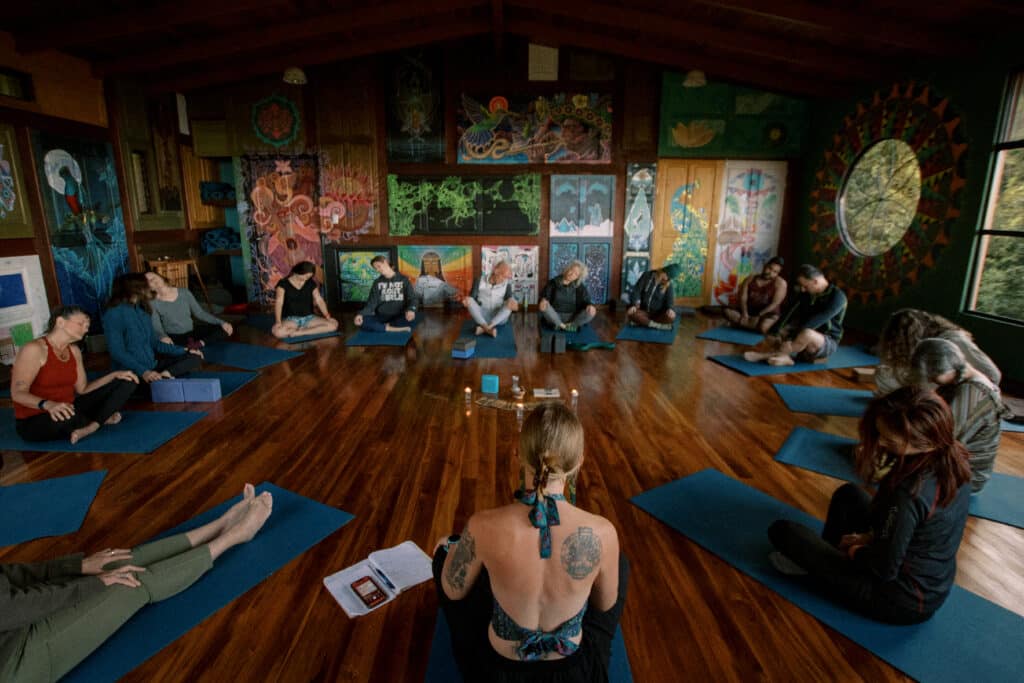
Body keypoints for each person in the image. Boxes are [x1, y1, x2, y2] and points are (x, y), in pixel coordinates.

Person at [433, 402, 626, 682]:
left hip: (499, 673)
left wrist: (448, 550)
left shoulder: (483, 525)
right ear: (579, 461)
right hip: (572, 673)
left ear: (518, 454)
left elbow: (453, 592)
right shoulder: (603, 533)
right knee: (619, 564)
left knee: (445, 558)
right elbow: (605, 605)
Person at [0, 484, 273, 682]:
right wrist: (94, 584)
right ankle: (235, 535)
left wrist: (78, 566)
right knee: (129, 582)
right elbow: (11, 609)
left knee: (117, 561)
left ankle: (220, 524)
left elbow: (8, 575)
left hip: (13, 623)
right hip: (15, 662)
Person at [767, 386, 972, 624]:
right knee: (848, 495)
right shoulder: (954, 459)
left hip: (898, 599)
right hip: (925, 579)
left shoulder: (908, 494)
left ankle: (825, 570)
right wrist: (868, 538)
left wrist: (855, 549)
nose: (881, 442)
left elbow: (884, 570)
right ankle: (830, 565)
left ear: (923, 441)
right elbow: (911, 531)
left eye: (889, 439)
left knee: (783, 532)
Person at [10, 306, 138, 445]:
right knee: (70, 418)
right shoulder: (34, 349)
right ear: (60, 322)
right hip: (36, 418)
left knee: (128, 380)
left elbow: (83, 389)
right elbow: (17, 393)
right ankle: (100, 419)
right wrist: (48, 405)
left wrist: (113, 375)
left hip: (69, 408)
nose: (86, 329)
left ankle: (91, 426)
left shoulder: (74, 350)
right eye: (81, 324)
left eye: (87, 326)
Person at [912, 338, 1012, 492]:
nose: (932, 380)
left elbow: (942, 438)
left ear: (948, 368)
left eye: (933, 376)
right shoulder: (964, 378)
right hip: (956, 462)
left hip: (967, 475)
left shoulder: (972, 392)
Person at [103, 273, 203, 385]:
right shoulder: (113, 313)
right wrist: (144, 372)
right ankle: (161, 380)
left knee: (194, 356)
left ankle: (165, 376)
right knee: (130, 385)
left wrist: (184, 350)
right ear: (135, 288)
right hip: (133, 372)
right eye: (146, 284)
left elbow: (155, 343)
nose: (149, 286)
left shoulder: (143, 312)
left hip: (152, 366)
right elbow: (117, 352)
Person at [875, 309, 1000, 396]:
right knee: (883, 374)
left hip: (958, 389)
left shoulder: (954, 340)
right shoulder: (924, 344)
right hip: (936, 385)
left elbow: (993, 375)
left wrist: (959, 387)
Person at [743, 264, 846, 366]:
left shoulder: (838, 297)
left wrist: (791, 338)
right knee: (770, 327)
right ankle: (785, 357)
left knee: (807, 333)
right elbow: (789, 312)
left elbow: (818, 320)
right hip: (801, 332)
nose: (802, 290)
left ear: (815, 282)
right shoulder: (806, 293)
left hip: (826, 341)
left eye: (805, 286)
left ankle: (766, 356)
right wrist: (774, 332)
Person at [145, 271, 233, 349]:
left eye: (153, 277)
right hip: (174, 337)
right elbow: (157, 325)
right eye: (149, 281)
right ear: (149, 288)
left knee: (224, 329)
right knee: (166, 345)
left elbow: (200, 313)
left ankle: (199, 344)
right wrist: (163, 336)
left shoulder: (184, 292)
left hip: (192, 332)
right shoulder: (153, 302)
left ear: (161, 277)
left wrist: (222, 322)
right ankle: (189, 346)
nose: (152, 280)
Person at [271, 261, 338, 339]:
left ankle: (300, 332)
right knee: (278, 332)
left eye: (309, 277)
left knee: (333, 325)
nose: (307, 279)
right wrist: (278, 322)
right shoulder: (283, 284)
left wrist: (328, 316)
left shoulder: (310, 282)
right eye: (305, 276)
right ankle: (305, 330)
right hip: (291, 319)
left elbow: (319, 300)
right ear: (298, 272)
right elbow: (279, 302)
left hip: (309, 318)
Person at [722, 257, 787, 333]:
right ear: (765, 265)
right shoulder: (750, 278)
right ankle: (751, 326)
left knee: (764, 326)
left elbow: (775, 304)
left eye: (775, 272)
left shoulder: (780, 283)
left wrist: (758, 315)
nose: (771, 273)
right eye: (770, 268)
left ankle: (744, 325)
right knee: (727, 312)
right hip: (749, 312)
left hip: (768, 314)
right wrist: (744, 313)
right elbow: (743, 298)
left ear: (778, 273)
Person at [354, 255, 417, 333]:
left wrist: (411, 310)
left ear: (386, 262)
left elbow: (412, 298)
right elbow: (371, 304)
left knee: (412, 320)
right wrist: (360, 314)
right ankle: (391, 329)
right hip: (382, 316)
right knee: (362, 322)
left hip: (400, 315)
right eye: (375, 268)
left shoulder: (403, 279)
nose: (377, 270)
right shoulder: (377, 282)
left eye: (378, 266)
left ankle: (383, 327)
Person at [538, 261, 597, 333]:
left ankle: (568, 325)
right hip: (555, 316)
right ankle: (562, 326)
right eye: (571, 270)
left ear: (578, 277)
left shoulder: (580, 287)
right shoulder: (553, 283)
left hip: (573, 317)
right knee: (543, 305)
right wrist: (543, 300)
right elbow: (544, 296)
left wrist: (590, 305)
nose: (572, 274)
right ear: (567, 269)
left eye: (576, 274)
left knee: (592, 311)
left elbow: (586, 300)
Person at [464, 260, 518, 337]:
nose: (504, 280)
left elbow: (510, 302)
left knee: (510, 302)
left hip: (498, 318)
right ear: (495, 271)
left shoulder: (507, 285)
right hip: (481, 316)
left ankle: (485, 328)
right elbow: (472, 298)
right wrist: (466, 301)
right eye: (503, 276)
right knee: (469, 299)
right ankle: (488, 328)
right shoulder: (479, 280)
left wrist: (514, 304)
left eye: (506, 278)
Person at [625, 263, 680, 331]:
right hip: (643, 311)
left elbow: (670, 301)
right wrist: (633, 304)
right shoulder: (647, 275)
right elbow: (636, 291)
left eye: (669, 278)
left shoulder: (668, 285)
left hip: (658, 314)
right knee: (632, 313)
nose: (666, 278)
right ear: (663, 271)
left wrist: (670, 309)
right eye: (666, 275)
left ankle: (643, 323)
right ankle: (657, 326)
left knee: (671, 317)